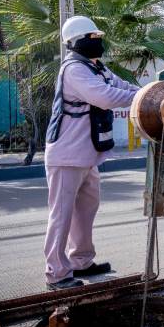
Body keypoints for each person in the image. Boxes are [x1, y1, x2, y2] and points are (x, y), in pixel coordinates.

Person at [43, 15, 139, 290]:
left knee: (85, 210)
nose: (97, 42)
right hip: (66, 155)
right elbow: (106, 97)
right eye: (91, 38)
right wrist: (142, 98)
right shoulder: (74, 69)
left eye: (98, 38)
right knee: (61, 215)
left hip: (86, 156)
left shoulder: (97, 67)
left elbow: (123, 87)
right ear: (74, 43)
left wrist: (149, 93)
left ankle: (81, 261)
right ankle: (56, 272)